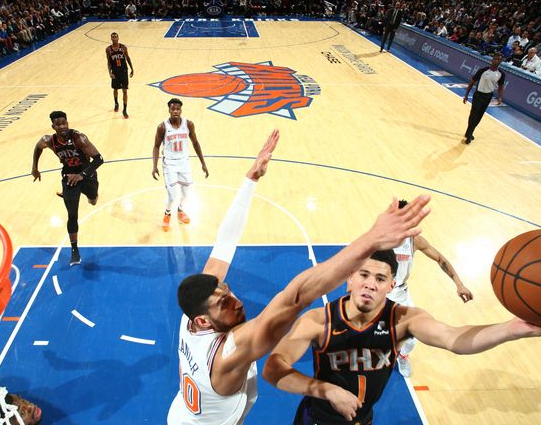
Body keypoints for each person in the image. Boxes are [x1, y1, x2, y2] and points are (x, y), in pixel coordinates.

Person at [168, 129, 432, 423]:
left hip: (182, 413)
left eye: (227, 292)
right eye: (224, 304)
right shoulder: (229, 353)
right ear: (204, 320)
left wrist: (250, 181)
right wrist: (370, 241)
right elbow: (295, 298)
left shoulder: (191, 314)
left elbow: (224, 245)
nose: (236, 301)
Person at [263, 251, 541, 425]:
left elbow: (455, 339)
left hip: (363, 417)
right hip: (319, 417)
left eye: (380, 278)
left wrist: (515, 329)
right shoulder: (318, 321)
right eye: (363, 275)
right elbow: (274, 369)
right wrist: (327, 389)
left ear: (392, 285)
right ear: (349, 280)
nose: (370, 283)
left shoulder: (403, 319)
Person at [387, 199, 473, 378]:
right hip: (380, 295)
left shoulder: (414, 241)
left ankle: (402, 355)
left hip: (401, 294)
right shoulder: (382, 239)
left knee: (411, 335)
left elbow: (440, 259)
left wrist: (459, 284)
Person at [31, 111, 104, 266]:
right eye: (58, 124)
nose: (62, 126)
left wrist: (81, 175)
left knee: (93, 201)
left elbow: (99, 159)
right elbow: (38, 148)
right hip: (69, 178)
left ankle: (90, 196)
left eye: (64, 123)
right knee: (72, 215)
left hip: (87, 174)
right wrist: (35, 168)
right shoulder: (49, 140)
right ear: (53, 126)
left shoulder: (79, 138)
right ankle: (74, 250)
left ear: (67, 123)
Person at [152, 98, 208, 232]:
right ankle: (167, 213)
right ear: (169, 110)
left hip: (184, 162)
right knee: (172, 196)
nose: (175, 111)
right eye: (173, 109)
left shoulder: (188, 124)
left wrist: (203, 163)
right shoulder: (162, 127)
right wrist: (154, 165)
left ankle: (181, 210)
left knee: (186, 193)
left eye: (177, 109)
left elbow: (195, 143)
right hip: (170, 164)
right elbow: (156, 146)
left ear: (181, 110)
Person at [462, 52, 505, 144]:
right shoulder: (483, 71)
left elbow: (501, 86)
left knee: (479, 116)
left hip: (488, 96)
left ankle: (469, 132)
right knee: (473, 115)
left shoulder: (501, 74)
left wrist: (500, 97)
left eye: (499, 59)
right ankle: (469, 135)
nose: (497, 61)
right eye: (495, 59)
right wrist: (466, 94)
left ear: (501, 62)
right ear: (492, 60)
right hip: (478, 95)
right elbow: (472, 81)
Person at [105, 32, 134, 118]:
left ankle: (125, 110)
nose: (114, 39)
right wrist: (110, 72)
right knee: (115, 89)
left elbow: (128, 58)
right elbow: (109, 62)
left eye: (116, 37)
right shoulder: (108, 49)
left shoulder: (123, 47)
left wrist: (132, 68)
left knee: (125, 90)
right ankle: (116, 103)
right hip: (115, 72)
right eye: (113, 37)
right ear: (111, 39)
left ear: (118, 38)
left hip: (123, 71)